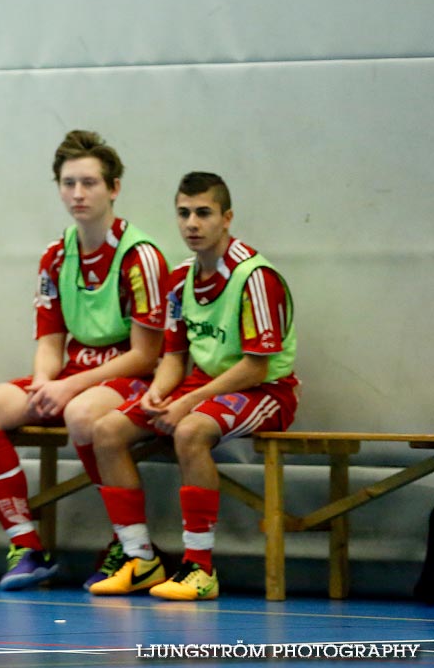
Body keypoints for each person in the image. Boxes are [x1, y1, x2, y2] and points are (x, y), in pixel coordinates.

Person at [0, 129, 168, 590]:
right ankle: (28, 547)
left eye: (89, 183)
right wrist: (42, 381)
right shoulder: (56, 256)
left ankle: (132, 547)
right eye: (68, 182)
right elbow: (51, 340)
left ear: (114, 188)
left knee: (80, 413)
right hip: (77, 374)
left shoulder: (142, 257)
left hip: (134, 376)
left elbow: (145, 354)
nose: (78, 193)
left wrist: (68, 387)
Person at [88, 172, 298, 601]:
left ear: (227, 217)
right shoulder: (180, 277)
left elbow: (257, 368)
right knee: (106, 431)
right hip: (202, 387)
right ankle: (140, 559)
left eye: (203, 213)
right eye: (183, 213)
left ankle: (199, 568)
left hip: (266, 391)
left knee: (190, 430)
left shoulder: (255, 276)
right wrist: (159, 392)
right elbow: (174, 357)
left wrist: (190, 402)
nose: (191, 224)